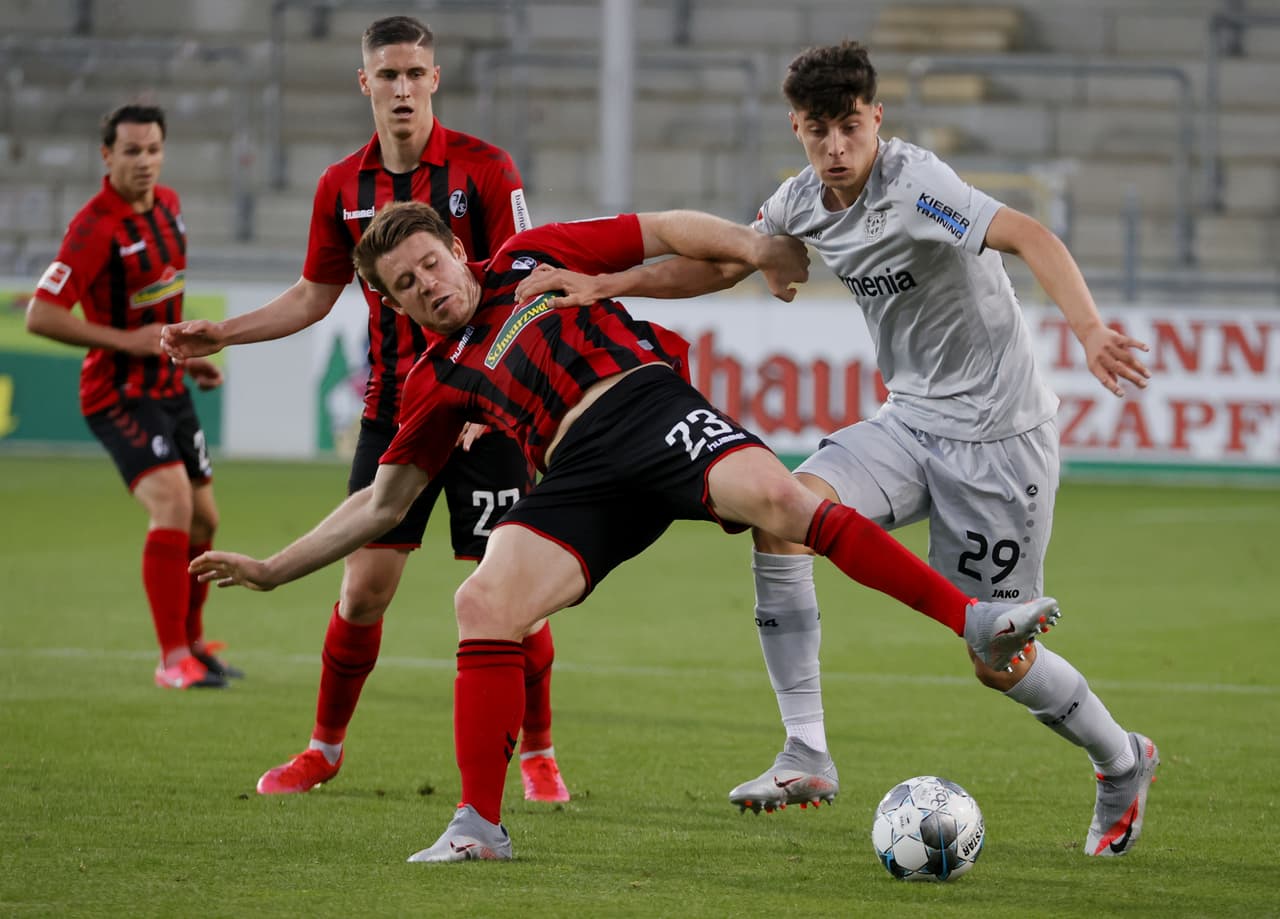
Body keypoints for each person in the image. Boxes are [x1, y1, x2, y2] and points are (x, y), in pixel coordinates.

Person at [189, 199, 1062, 863]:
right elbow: (382, 505)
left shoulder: (531, 254)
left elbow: (663, 228)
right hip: (577, 478)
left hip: (645, 406)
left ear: (456, 249)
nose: (429, 286)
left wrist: (756, 247)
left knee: (784, 503)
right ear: (389, 302)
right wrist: (272, 569)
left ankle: (974, 618)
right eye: (407, 285)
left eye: (431, 263)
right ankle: (478, 825)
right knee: (483, 601)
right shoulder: (434, 378)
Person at [513, 41, 1159, 857]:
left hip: (1000, 441)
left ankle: (1121, 759)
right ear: (798, 130)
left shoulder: (918, 186)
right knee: (783, 511)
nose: (836, 147)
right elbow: (723, 265)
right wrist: (608, 284)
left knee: (998, 659)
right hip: (909, 422)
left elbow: (1027, 234)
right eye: (818, 130)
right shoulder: (800, 202)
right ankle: (806, 752)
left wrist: (1091, 330)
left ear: (876, 119)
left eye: (850, 126)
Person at [160, 16, 566, 801]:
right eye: (388, 75)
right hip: (396, 411)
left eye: (415, 73)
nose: (402, 88)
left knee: (511, 593)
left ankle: (540, 753)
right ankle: (323, 749)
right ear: (366, 83)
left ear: (434, 79)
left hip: (486, 409)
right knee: (363, 589)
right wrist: (225, 332)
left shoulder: (485, 168)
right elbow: (314, 295)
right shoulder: (340, 186)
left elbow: (525, 278)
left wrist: (498, 391)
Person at [26, 103, 239, 690]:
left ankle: (194, 645)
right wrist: (127, 341)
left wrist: (185, 358)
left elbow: (159, 309)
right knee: (172, 502)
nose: (144, 161)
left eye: (153, 150)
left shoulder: (169, 206)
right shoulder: (94, 228)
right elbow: (41, 315)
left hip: (169, 386)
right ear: (107, 155)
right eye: (131, 151)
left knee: (205, 518)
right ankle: (171, 660)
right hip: (116, 393)